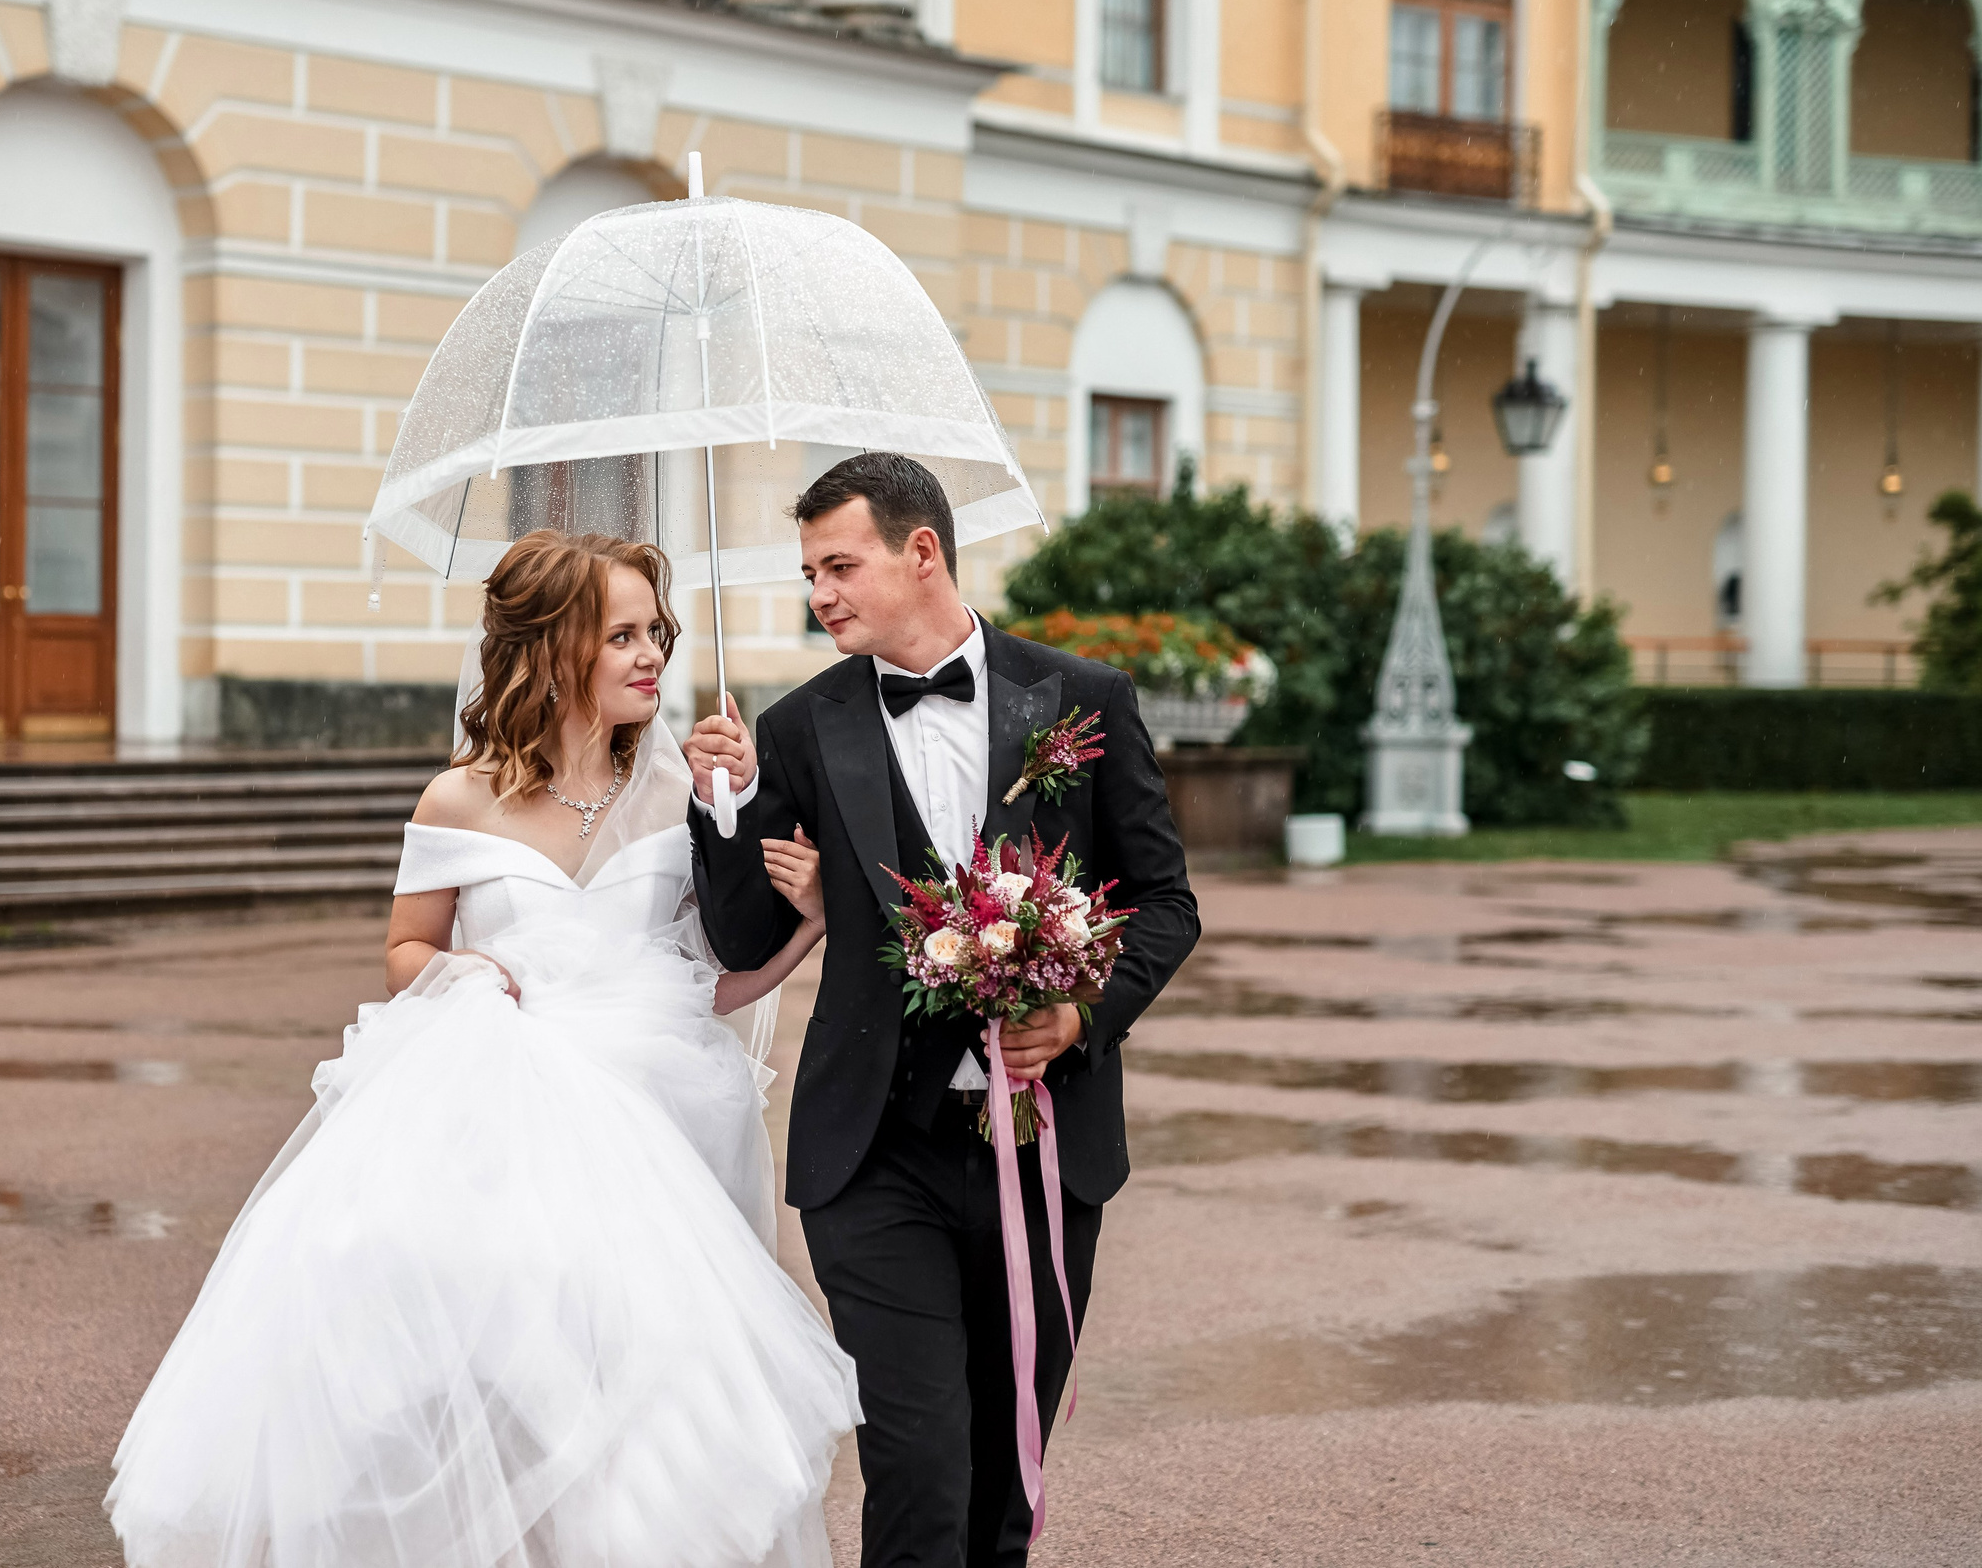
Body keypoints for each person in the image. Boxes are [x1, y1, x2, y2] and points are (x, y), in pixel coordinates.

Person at [108, 530, 858, 1568]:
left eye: (659, 632)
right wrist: (460, 973)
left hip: (664, 1123)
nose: (653, 655)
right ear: (554, 650)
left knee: (648, 1389)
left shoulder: (686, 788)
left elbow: (710, 983)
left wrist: (807, 919)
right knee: (501, 1368)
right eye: (624, 635)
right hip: (503, 1121)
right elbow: (405, 946)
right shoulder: (456, 797)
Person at [683, 453, 1201, 1568]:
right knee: (917, 1467)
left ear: (922, 552)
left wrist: (1080, 1014)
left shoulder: (1082, 701)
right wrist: (717, 807)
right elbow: (740, 938)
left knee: (1004, 1474)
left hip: (1045, 1150)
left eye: (838, 565)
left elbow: (1165, 901)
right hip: (876, 1152)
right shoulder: (799, 727)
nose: (818, 593)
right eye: (809, 571)